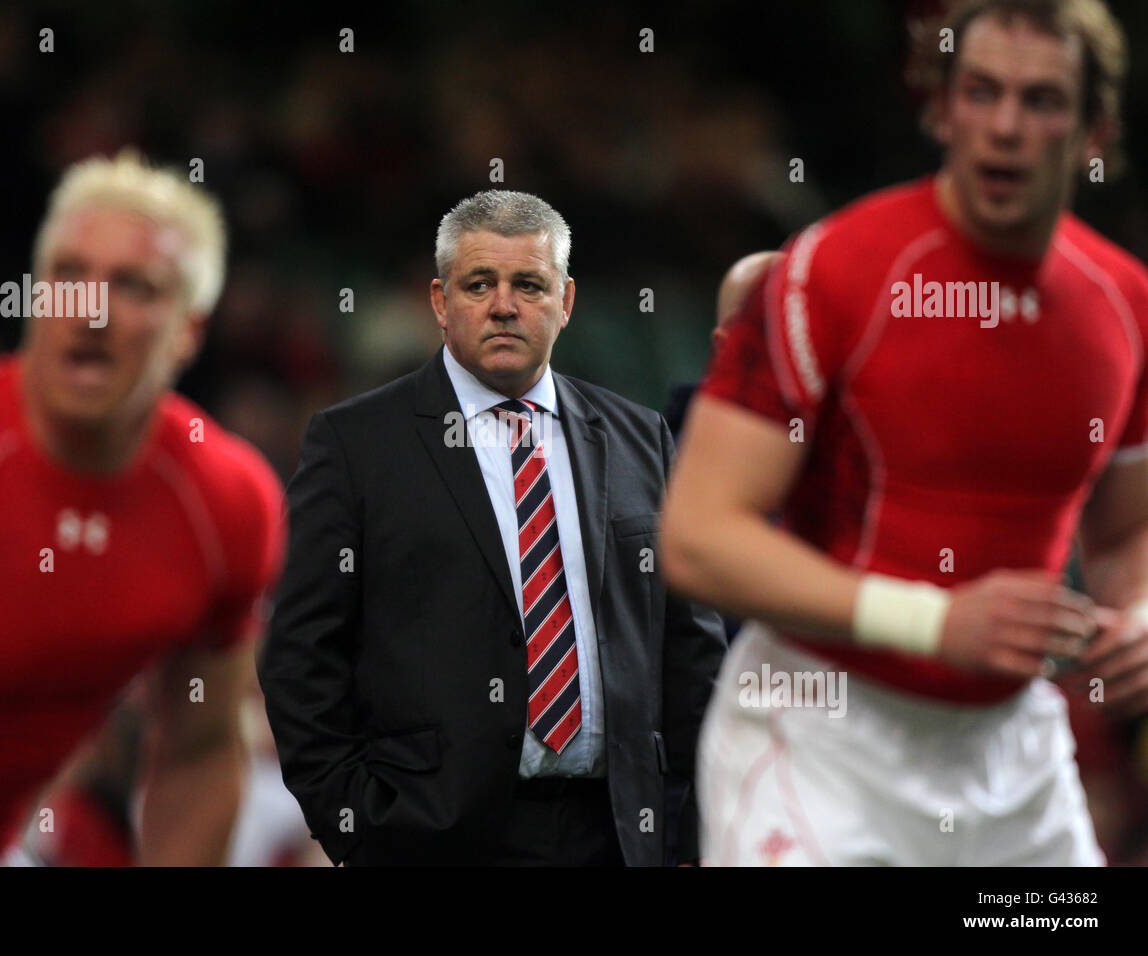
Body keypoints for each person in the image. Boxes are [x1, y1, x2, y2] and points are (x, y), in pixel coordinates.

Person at [660, 0, 1148, 865]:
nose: (1005, 126)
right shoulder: (828, 273)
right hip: (813, 739)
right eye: (982, 92)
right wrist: (931, 620)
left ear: (1094, 132)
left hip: (1014, 766)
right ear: (940, 108)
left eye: (1040, 101)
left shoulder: (1127, 308)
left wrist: (1142, 614)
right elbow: (698, 539)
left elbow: (1126, 535)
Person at [260, 189, 724, 866]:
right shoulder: (355, 444)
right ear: (441, 303)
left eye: (528, 284)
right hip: (432, 840)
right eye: (479, 284)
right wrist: (360, 832)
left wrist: (687, 832)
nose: (503, 305)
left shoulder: (639, 436)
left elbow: (690, 650)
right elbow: (301, 658)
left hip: (621, 836)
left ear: (565, 302)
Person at [0, 150, 286, 865]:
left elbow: (200, 753)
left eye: (135, 285)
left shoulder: (227, 506)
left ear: (188, 331)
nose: (90, 309)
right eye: (69, 275)